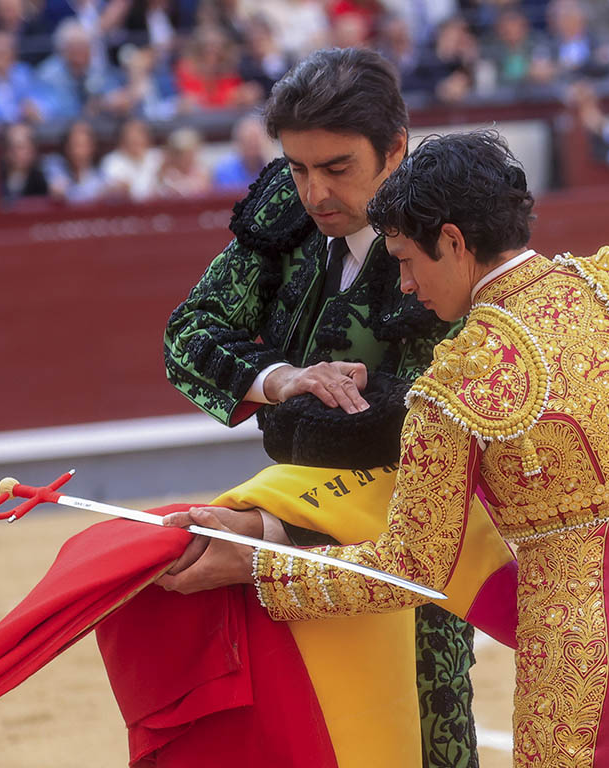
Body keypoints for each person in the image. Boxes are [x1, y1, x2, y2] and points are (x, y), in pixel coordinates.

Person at [163, 129, 609, 767]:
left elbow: (413, 568)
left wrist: (261, 567)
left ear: (452, 242)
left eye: (407, 260)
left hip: (578, 651)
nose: (406, 284)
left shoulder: (456, 384)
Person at [161, 47, 478, 768]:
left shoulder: (448, 236)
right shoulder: (288, 214)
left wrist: (267, 529)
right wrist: (282, 379)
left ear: (395, 149)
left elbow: (428, 422)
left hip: (408, 528)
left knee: (425, 730)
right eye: (299, 167)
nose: (314, 192)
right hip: (291, 505)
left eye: (337, 167)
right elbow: (189, 334)